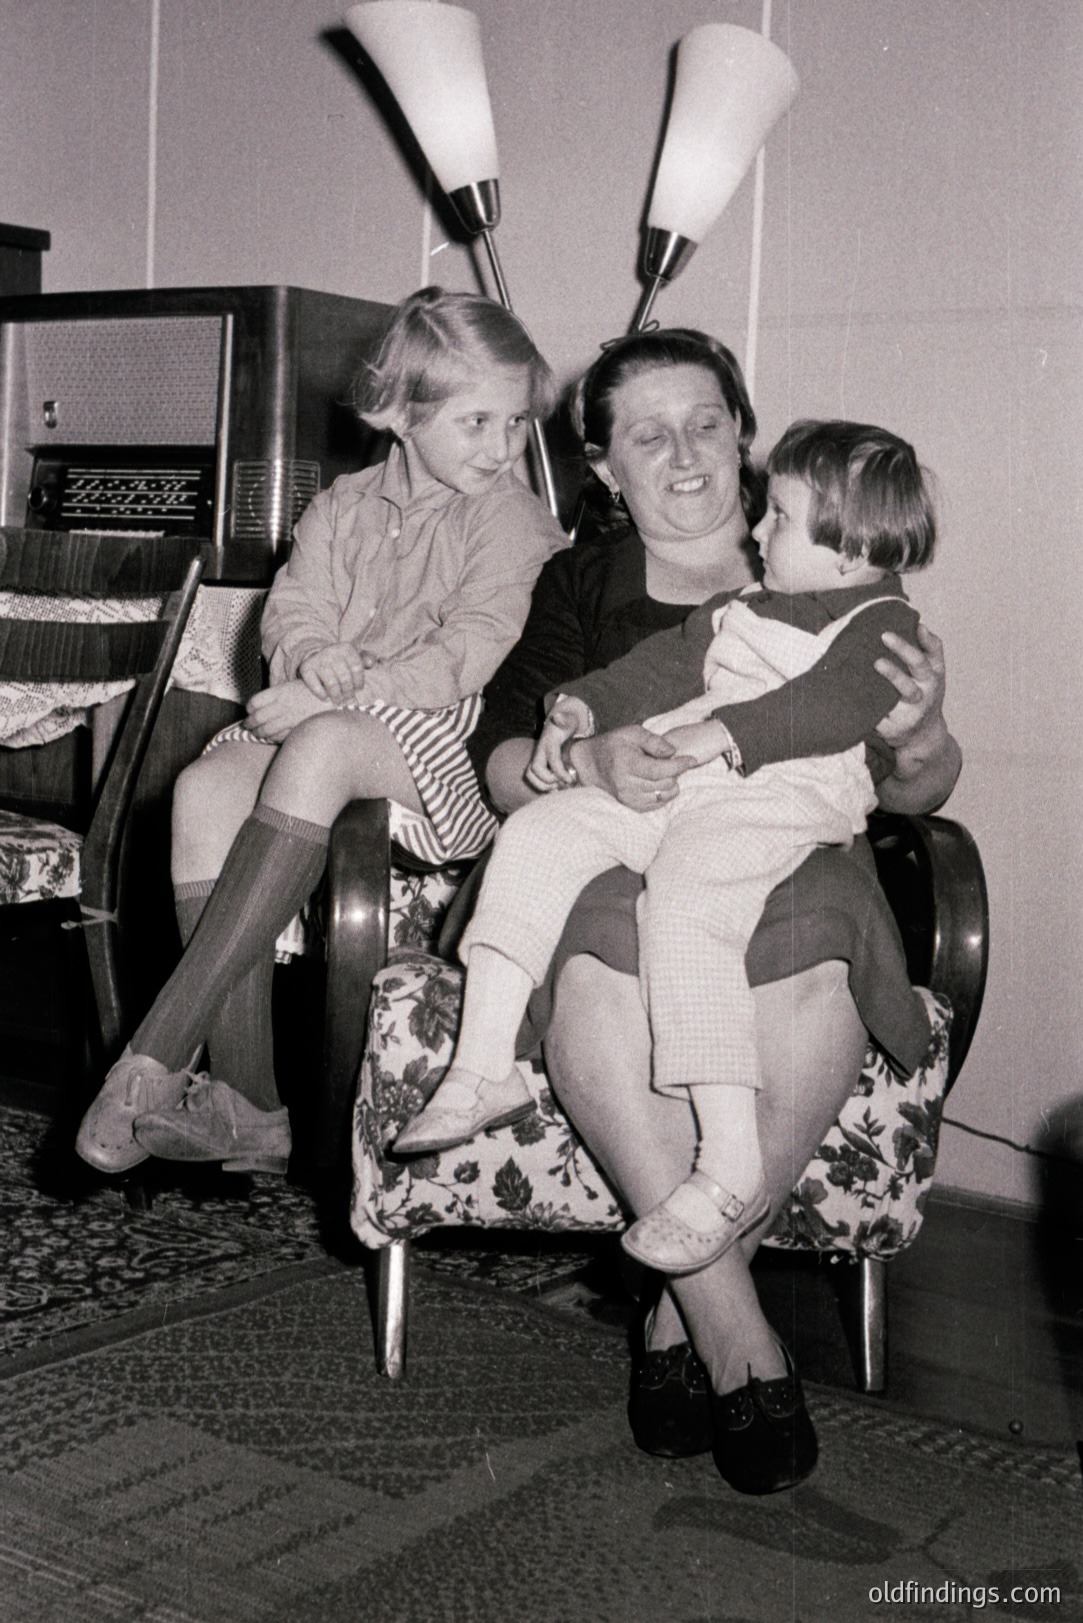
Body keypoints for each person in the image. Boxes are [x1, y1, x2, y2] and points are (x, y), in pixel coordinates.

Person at [458, 329, 960, 1494]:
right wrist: (589, 763)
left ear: (743, 437)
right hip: (621, 848)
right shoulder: (578, 585)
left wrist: (919, 731)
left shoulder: (828, 560)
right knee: (596, 973)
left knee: (815, 963)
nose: (682, 454)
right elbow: (504, 756)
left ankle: (684, 1312)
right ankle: (733, 1333)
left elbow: (917, 788)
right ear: (606, 470)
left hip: (795, 841)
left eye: (705, 424)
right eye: (647, 433)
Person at [397, 418, 936, 1289]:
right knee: (544, 830)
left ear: (848, 552)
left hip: (787, 789)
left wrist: (707, 737)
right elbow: (655, 671)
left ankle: (726, 1167)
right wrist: (575, 707)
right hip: (697, 776)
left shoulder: (882, 621)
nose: (756, 529)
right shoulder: (743, 607)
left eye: (782, 519)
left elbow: (825, 711)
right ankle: (481, 1065)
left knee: (684, 900)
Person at [75, 286, 566, 1178]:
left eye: (513, 424)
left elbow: (467, 656)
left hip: (445, 737)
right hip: (334, 716)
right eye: (476, 422)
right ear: (399, 415)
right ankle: (250, 1104)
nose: (501, 449)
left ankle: (151, 1054)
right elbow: (291, 611)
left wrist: (340, 692)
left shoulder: (511, 517)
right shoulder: (342, 503)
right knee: (204, 786)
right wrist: (312, 660)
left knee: (322, 741)